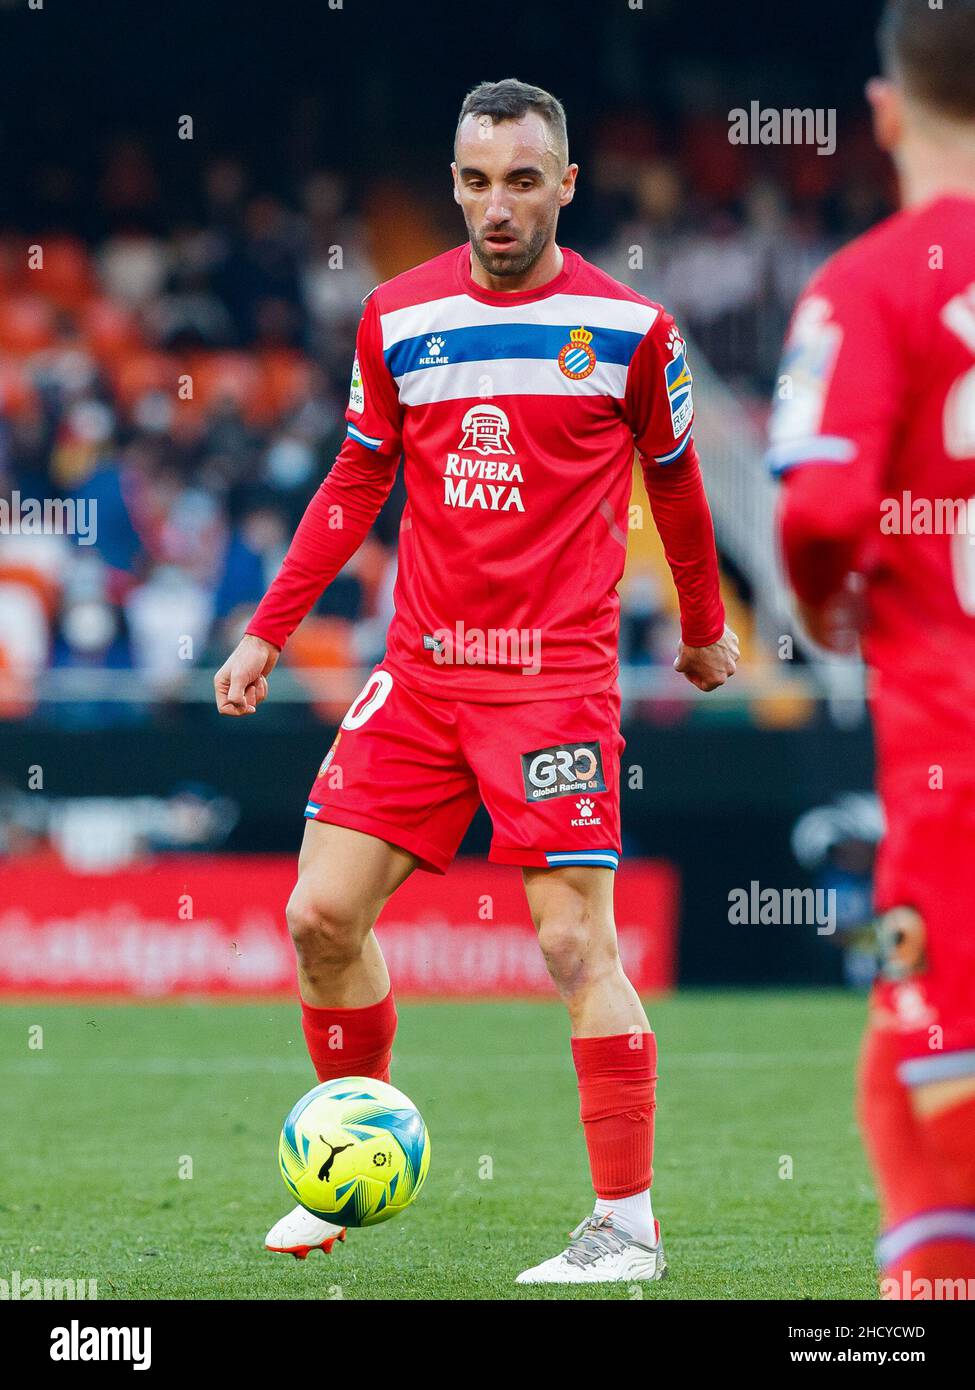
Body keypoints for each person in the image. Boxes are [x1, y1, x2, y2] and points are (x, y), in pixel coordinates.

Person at [215, 78, 737, 1284]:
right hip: (424, 676)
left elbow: (678, 484)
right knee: (318, 917)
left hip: (553, 682)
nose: (494, 206)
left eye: (518, 180)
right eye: (472, 180)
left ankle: (626, 1227)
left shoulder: (630, 330)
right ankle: (347, 1166)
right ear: (452, 184)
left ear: (564, 184)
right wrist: (267, 631)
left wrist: (706, 629)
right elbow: (355, 480)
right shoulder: (396, 317)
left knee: (570, 945)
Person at [771, 0, 975, 1300]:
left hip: (948, 784)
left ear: (885, 112)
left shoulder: (865, 283)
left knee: (919, 1074)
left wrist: (819, 603)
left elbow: (820, 506)